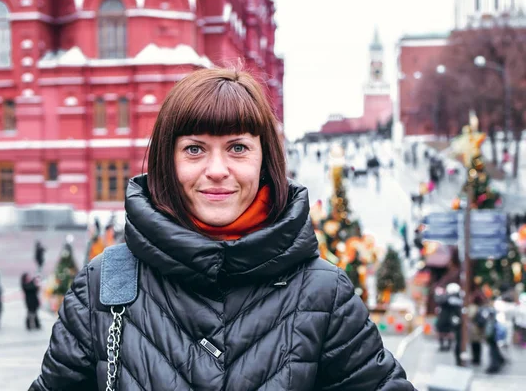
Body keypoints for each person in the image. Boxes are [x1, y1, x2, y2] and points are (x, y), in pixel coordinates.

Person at [30, 67, 414, 390]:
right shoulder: (104, 285)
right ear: (168, 162)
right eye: (195, 149)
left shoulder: (322, 293)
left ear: (265, 160)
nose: (217, 170)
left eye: (238, 148)